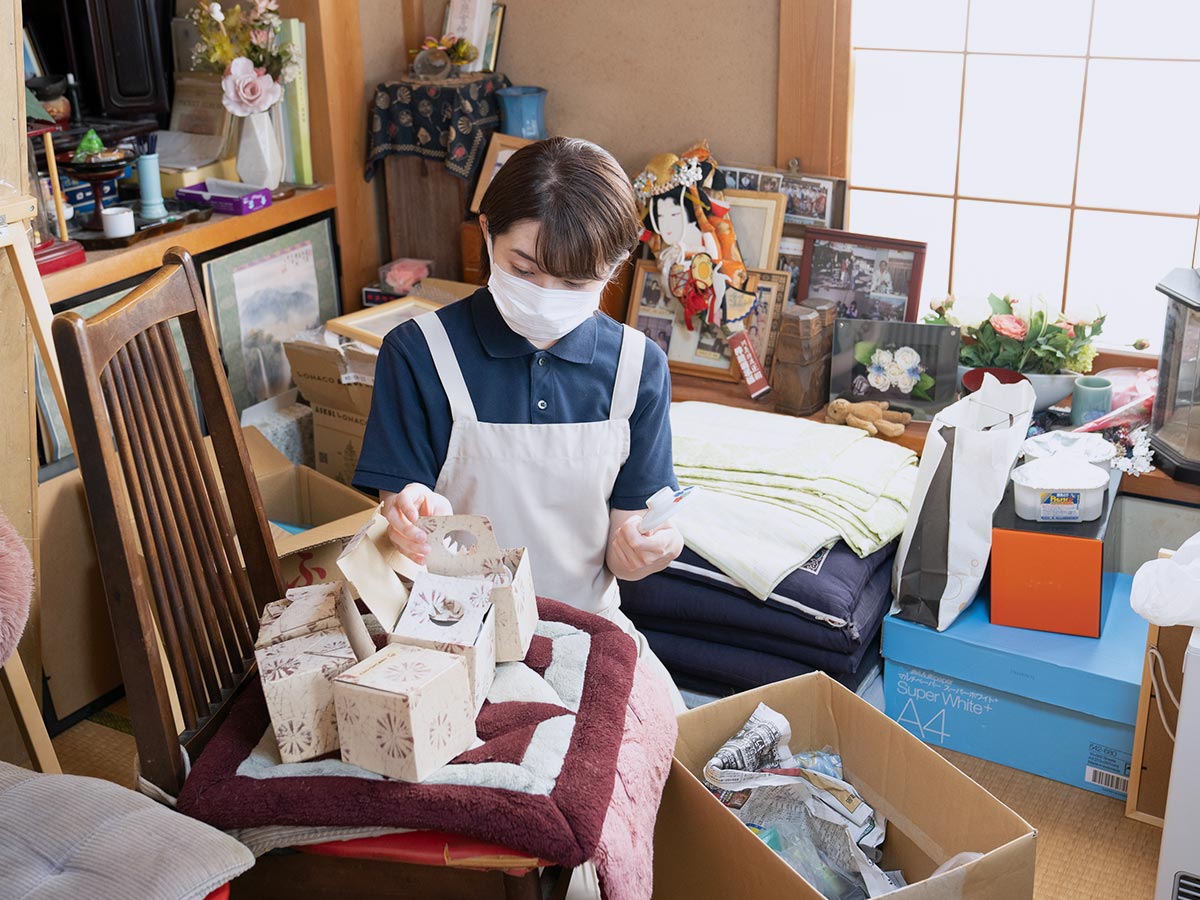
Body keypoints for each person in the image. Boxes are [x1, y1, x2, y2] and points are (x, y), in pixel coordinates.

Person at [353, 137, 687, 712]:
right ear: (487, 231)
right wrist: (406, 516)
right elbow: (403, 516)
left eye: (577, 282)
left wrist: (648, 549)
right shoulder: (419, 354)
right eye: (523, 269)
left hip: (587, 630)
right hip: (455, 634)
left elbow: (628, 539)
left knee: (667, 760)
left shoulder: (638, 367)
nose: (545, 298)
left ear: (615, 267)